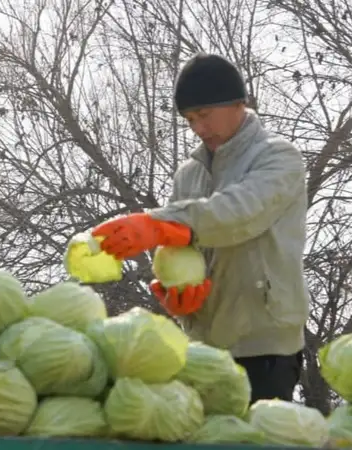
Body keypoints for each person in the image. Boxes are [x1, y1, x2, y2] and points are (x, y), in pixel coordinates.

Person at [92, 53, 309, 403]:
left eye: (204, 115)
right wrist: (178, 295)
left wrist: (157, 224)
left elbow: (240, 212)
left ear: (238, 103)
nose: (199, 129)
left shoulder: (279, 158)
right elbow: (182, 248)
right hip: (201, 349)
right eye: (190, 120)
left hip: (266, 347)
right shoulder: (187, 175)